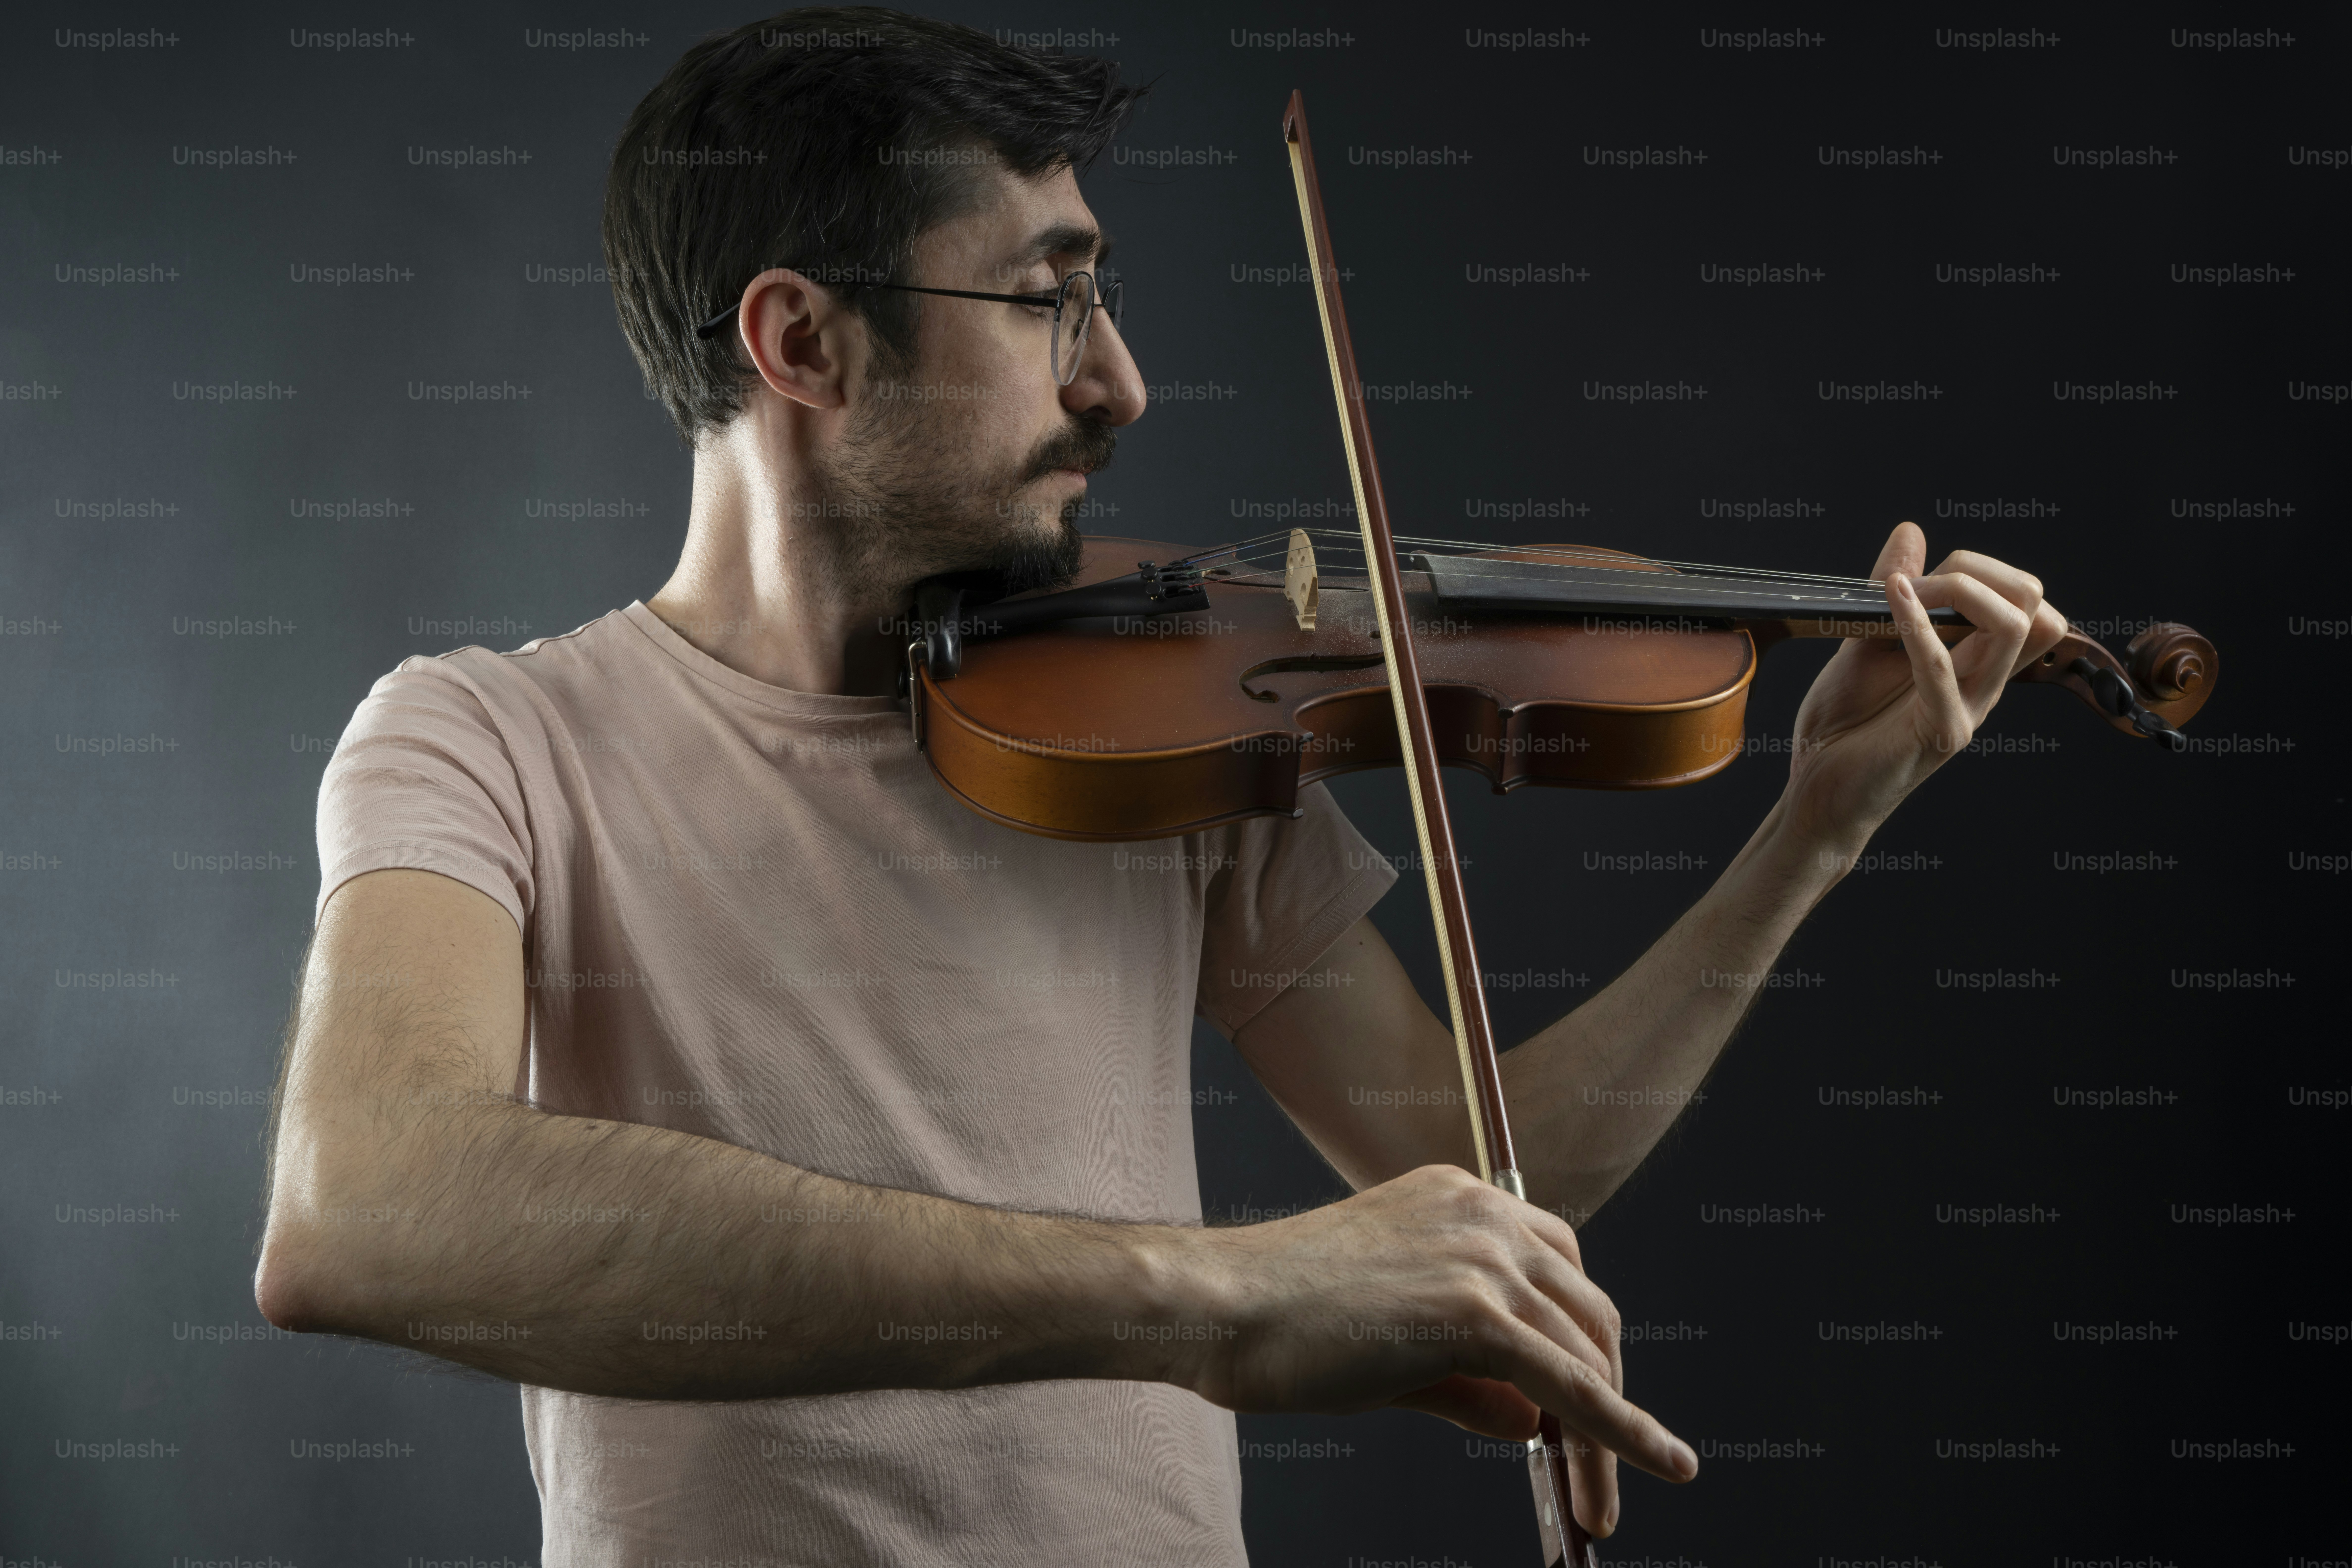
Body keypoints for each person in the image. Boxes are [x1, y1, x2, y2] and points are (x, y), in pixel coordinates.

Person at [253, 9, 2065, 1564]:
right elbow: (370, 1207)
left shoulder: (1159, 744)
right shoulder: (486, 741)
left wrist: (1814, 828)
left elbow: (1477, 1174)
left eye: (1102, 297)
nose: (1122, 380)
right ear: (801, 342)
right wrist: (1217, 1295)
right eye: (1048, 303)